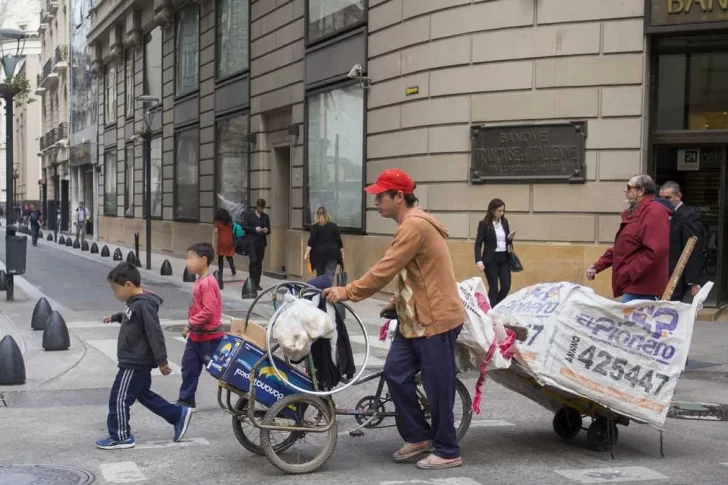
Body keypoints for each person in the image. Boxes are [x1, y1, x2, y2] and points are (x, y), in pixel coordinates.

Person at [322, 168, 465, 470]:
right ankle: (418, 436)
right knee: (395, 373)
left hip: (435, 320)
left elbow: (385, 269)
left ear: (399, 196)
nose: (375, 201)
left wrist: (347, 292)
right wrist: (397, 301)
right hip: (414, 318)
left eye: (380, 195)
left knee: (438, 387)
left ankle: (448, 450)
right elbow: (414, 273)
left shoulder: (414, 226)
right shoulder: (408, 224)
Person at [97, 262, 193, 450]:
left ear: (129, 285)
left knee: (119, 398)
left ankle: (120, 436)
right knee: (143, 395)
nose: (115, 294)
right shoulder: (135, 303)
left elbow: (154, 333)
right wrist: (117, 317)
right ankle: (177, 415)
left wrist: (162, 361)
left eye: (116, 290)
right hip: (135, 359)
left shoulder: (143, 305)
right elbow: (130, 316)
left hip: (134, 361)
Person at [587, 174, 671, 303]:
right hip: (634, 286)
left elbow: (655, 251)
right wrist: (597, 266)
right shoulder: (636, 212)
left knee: (624, 321)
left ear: (641, 191)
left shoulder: (654, 212)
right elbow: (623, 247)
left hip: (643, 288)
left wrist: (628, 273)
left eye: (629, 187)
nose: (625, 191)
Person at [178, 242, 224, 410]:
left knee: (222, 371)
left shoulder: (208, 283)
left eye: (190, 258)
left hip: (210, 338)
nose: (186, 262)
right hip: (197, 336)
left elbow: (209, 311)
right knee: (188, 367)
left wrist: (190, 323)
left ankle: (248, 393)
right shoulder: (200, 281)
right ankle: (186, 400)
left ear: (203, 260)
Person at [659, 181, 705, 302]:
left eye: (668, 198)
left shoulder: (688, 216)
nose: (664, 201)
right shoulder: (661, 214)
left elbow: (693, 248)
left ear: (678, 196)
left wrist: (693, 282)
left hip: (676, 276)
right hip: (661, 274)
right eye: (661, 198)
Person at [474, 198, 515, 307]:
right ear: (492, 211)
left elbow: (506, 240)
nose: (502, 213)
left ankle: (493, 307)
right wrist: (479, 260)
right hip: (490, 259)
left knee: (506, 286)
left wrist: (509, 237)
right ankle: (491, 313)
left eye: (503, 211)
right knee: (494, 288)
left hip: (504, 258)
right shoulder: (484, 224)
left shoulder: (504, 222)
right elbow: (478, 244)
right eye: (499, 211)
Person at [304, 206, 344, 279]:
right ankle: (328, 290)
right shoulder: (334, 226)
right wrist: (342, 254)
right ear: (328, 215)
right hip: (333, 253)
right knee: (330, 275)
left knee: (320, 276)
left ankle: (321, 290)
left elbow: (311, 242)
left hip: (319, 254)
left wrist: (306, 254)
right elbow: (339, 242)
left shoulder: (315, 227)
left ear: (317, 215)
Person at [241, 199, 271, 290]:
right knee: (253, 261)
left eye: (262, 208)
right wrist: (254, 229)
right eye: (259, 208)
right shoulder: (249, 215)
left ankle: (257, 283)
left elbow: (269, 229)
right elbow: (244, 226)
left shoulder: (265, 216)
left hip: (261, 243)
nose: (261, 209)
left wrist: (266, 230)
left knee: (259, 263)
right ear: (257, 206)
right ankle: (251, 281)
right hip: (251, 242)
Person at [214, 208, 237, 278]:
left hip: (221, 240)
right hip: (229, 240)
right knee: (229, 255)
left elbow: (216, 231)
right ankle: (232, 267)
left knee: (220, 256)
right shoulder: (229, 222)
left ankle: (220, 271)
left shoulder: (218, 223)